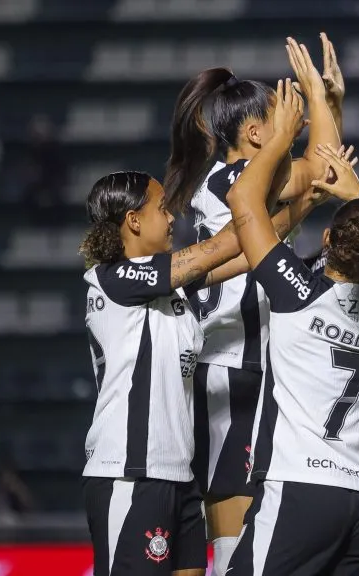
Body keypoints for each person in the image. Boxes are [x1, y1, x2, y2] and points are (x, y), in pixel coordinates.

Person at [224, 79, 359, 575]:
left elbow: (242, 201)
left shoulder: (299, 293)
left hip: (299, 487)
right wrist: (357, 194)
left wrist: (281, 137)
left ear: (326, 241)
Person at [162, 37, 340, 576]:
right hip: (232, 369)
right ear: (257, 134)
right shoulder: (231, 180)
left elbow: (322, 168)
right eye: (282, 116)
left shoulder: (251, 180)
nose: (296, 121)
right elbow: (321, 169)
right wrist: (315, 94)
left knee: (261, 527)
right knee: (234, 533)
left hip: (261, 366)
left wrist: (322, 101)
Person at [79, 170, 248, 576]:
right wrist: (254, 195)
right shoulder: (113, 278)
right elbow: (223, 245)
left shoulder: (170, 287)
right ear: (133, 220)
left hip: (179, 474)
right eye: (161, 208)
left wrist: (306, 202)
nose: (172, 217)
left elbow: (248, 252)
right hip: (130, 473)